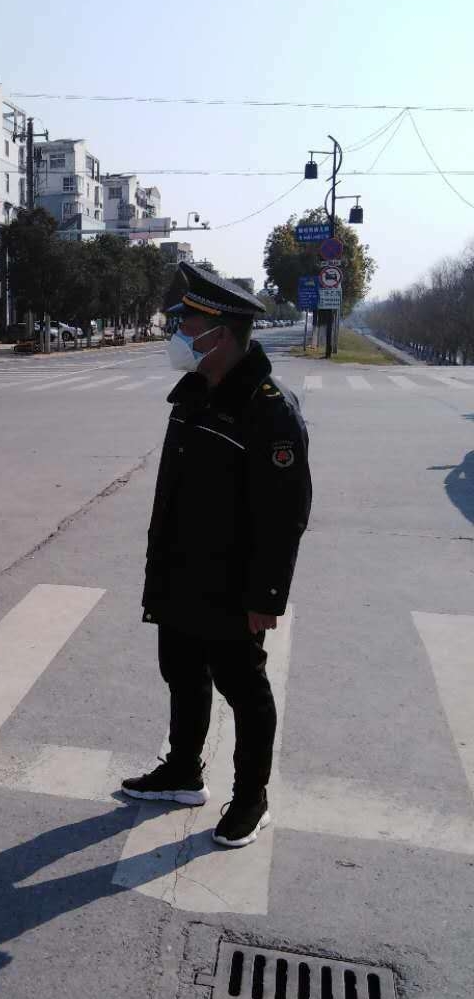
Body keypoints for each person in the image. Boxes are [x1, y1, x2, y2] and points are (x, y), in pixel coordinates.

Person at [122, 263, 312, 847]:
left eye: (188, 324)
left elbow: (285, 514)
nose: (177, 333)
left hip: (232, 583)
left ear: (221, 333)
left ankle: (252, 798)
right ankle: (183, 771)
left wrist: (266, 596)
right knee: (181, 672)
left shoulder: (268, 409)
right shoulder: (195, 393)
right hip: (182, 570)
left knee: (244, 689)